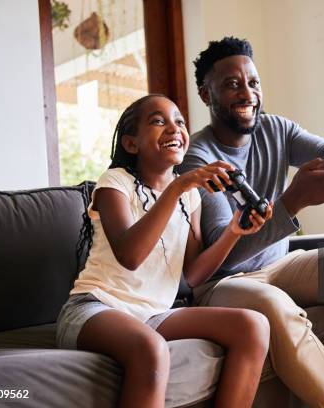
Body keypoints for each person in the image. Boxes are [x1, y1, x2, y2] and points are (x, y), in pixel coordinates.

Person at [178, 37, 324, 408]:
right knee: (275, 305)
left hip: (280, 264)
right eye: (232, 84)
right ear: (205, 94)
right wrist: (292, 201)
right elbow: (223, 254)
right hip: (224, 284)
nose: (247, 93)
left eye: (253, 82)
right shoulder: (199, 159)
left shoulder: (275, 129)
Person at [56, 94, 273, 408]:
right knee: (151, 349)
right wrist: (177, 187)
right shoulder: (114, 185)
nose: (174, 128)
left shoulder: (189, 198)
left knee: (253, 326)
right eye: (158, 121)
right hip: (96, 308)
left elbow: (193, 274)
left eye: (179, 121)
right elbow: (131, 256)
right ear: (132, 144)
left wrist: (233, 233)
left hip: (153, 314)